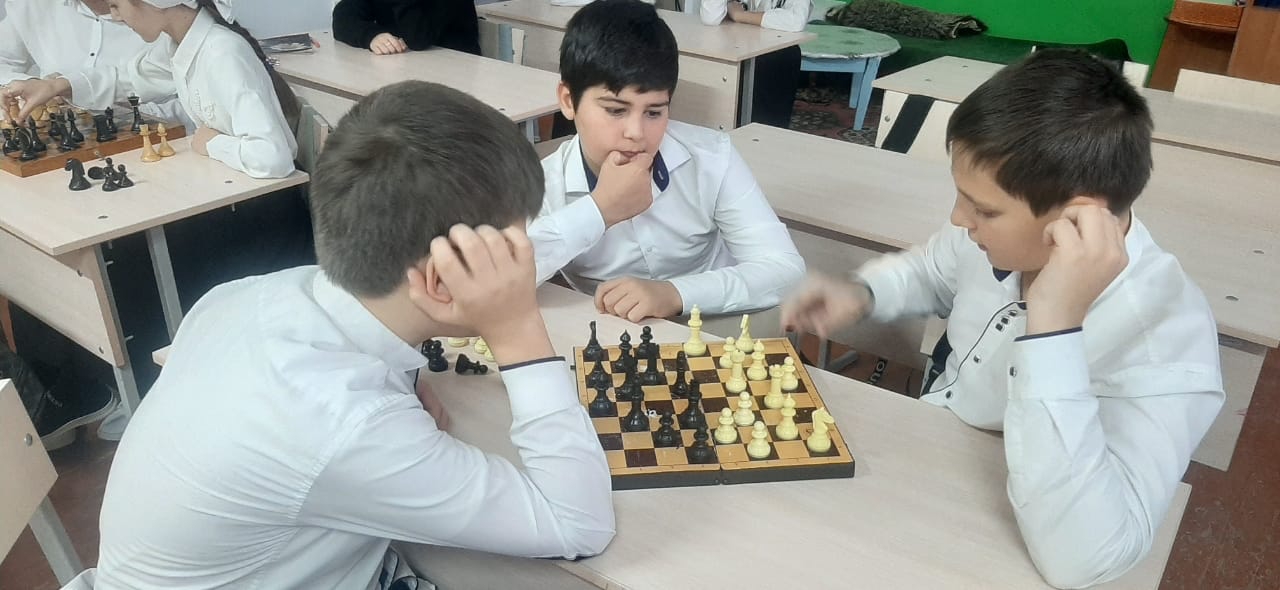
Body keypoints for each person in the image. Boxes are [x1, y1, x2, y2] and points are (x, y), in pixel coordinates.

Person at [87, 80, 615, 589]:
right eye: (511, 254)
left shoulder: (250, 295)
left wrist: (404, 381)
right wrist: (517, 328)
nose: (524, 267)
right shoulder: (347, 424)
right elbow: (577, 525)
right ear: (439, 280)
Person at [781, 49, 1224, 588]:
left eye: (984, 210)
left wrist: (1055, 327)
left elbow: (1086, 560)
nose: (958, 219)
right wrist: (863, 292)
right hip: (925, 462)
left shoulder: (1169, 343)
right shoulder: (992, 238)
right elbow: (931, 269)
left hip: (1006, 530)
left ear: (1077, 216)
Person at [530, 0, 805, 324]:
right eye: (615, 110)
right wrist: (599, 210)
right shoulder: (544, 184)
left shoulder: (711, 156)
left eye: (654, 112)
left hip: (716, 324)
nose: (636, 133)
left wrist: (674, 294)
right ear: (568, 101)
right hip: (614, 336)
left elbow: (785, 270)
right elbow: (495, 279)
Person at [3, 0, 299, 179]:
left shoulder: (223, 53)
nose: (115, 17)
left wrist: (210, 143)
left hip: (260, 206)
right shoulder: (177, 45)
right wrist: (56, 85)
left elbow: (273, 158)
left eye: (117, 6)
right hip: (227, 185)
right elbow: (130, 79)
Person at [699, 0, 812, 128]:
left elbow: (796, 20)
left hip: (776, 53)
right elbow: (710, 17)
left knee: (783, 58)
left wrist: (740, 15)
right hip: (735, 48)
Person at [333, 0, 481, 56]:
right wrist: (371, 36)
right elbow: (342, 16)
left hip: (455, 66)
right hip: (405, 65)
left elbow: (418, 39)